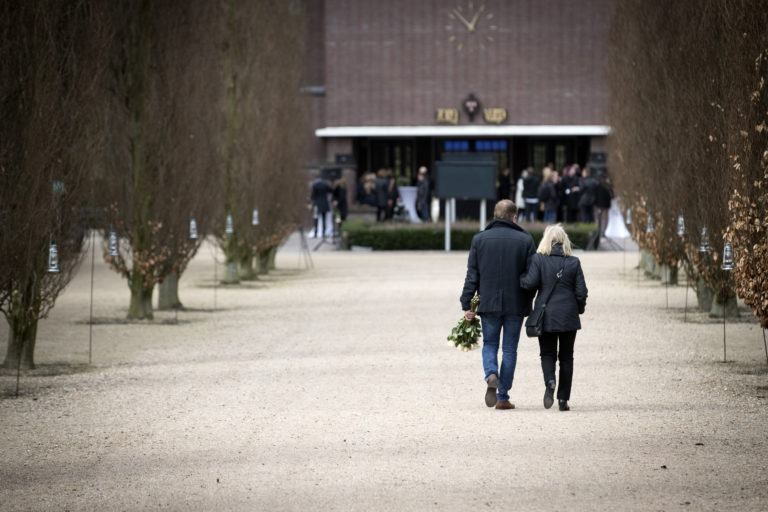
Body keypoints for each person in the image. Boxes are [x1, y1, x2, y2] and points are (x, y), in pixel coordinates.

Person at [460, 200, 536, 410]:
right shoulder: (525, 240)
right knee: (510, 349)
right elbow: (532, 276)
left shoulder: (479, 239)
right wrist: (528, 298)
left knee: (490, 344)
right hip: (515, 302)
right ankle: (502, 397)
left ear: (494, 216)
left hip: (488, 302)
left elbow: (472, 275)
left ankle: (491, 374)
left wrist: (468, 304)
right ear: (514, 217)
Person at [520, 224, 588, 411]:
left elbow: (529, 284)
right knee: (567, 357)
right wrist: (578, 309)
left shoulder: (539, 259)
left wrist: (519, 278)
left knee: (547, 353)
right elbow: (581, 292)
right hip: (568, 316)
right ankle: (563, 399)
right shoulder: (574, 262)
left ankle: (550, 381)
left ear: (546, 241)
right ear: (565, 241)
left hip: (546, 315)